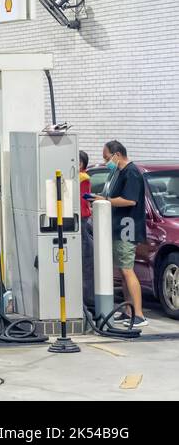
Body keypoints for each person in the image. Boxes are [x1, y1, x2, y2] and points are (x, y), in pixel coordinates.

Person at [94, 140, 146, 327]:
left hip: (127, 228)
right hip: (119, 227)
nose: (105, 161)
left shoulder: (131, 173)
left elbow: (130, 201)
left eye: (106, 157)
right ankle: (128, 310)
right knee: (122, 272)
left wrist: (105, 200)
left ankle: (139, 314)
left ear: (117, 155)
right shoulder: (118, 172)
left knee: (127, 270)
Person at [78, 150, 94, 307]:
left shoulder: (83, 178)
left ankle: (89, 301)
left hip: (82, 220)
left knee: (86, 262)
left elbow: (82, 201)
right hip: (81, 220)